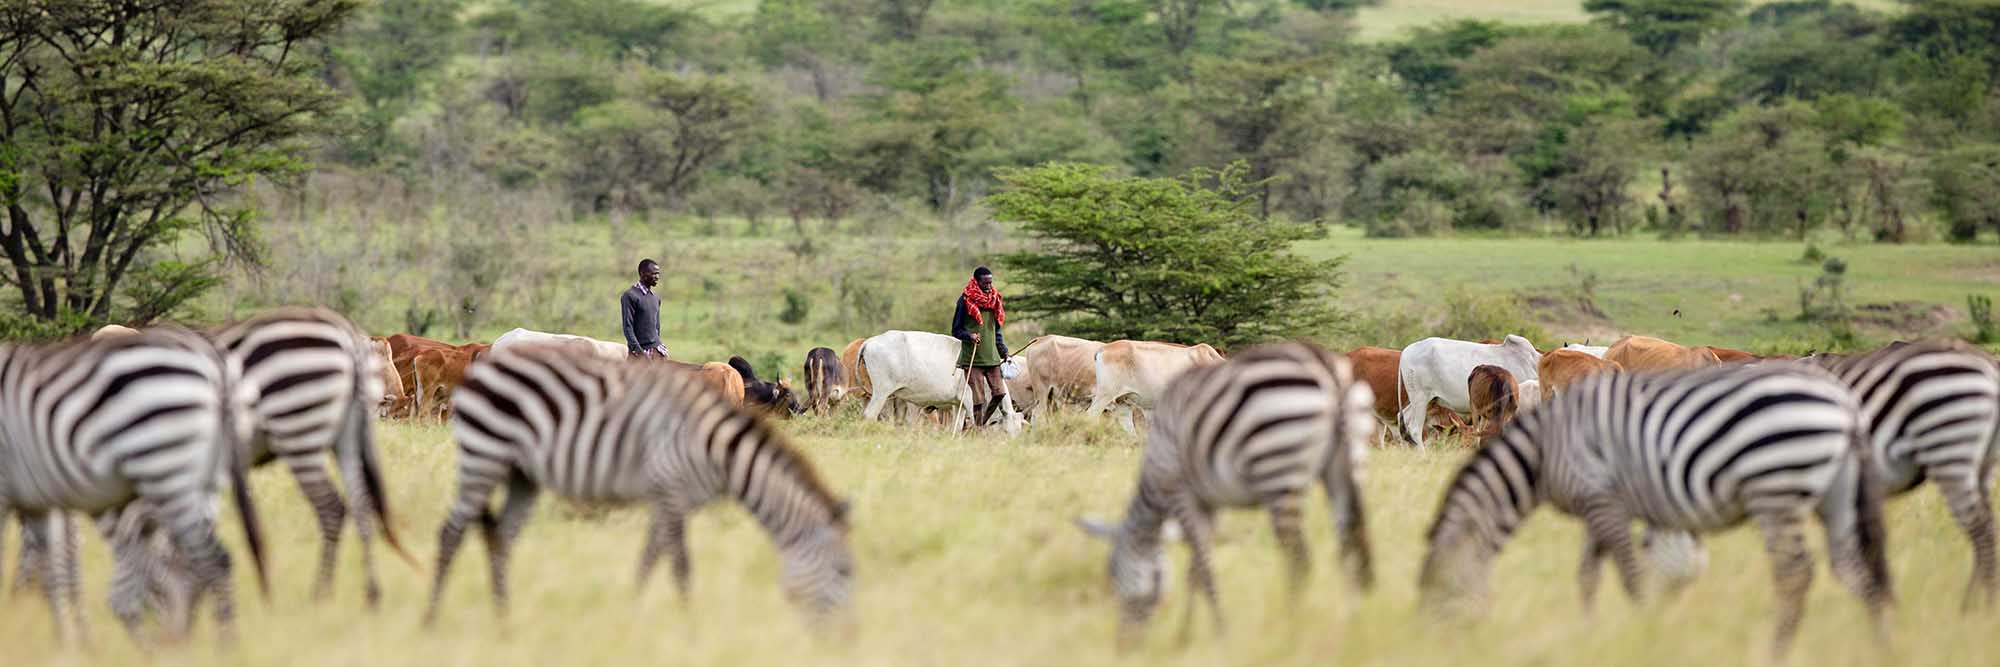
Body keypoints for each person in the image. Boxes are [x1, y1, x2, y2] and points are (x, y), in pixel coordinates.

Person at [951, 266, 1010, 426]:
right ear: (976, 282)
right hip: (973, 358)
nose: (989, 287)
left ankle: (980, 423)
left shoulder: (995, 299)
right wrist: (969, 336)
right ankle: (979, 430)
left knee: (999, 394)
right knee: (979, 399)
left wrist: (1003, 351)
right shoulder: (964, 300)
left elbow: (995, 331)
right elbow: (955, 330)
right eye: (985, 283)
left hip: (992, 358)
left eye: (991, 283)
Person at [621, 259, 669, 360]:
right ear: (643, 274)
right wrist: (640, 353)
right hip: (639, 355)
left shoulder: (655, 298)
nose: (657, 277)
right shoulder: (630, 296)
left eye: (658, 274)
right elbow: (628, 327)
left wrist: (657, 349)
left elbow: (657, 327)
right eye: (654, 274)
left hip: (657, 352)